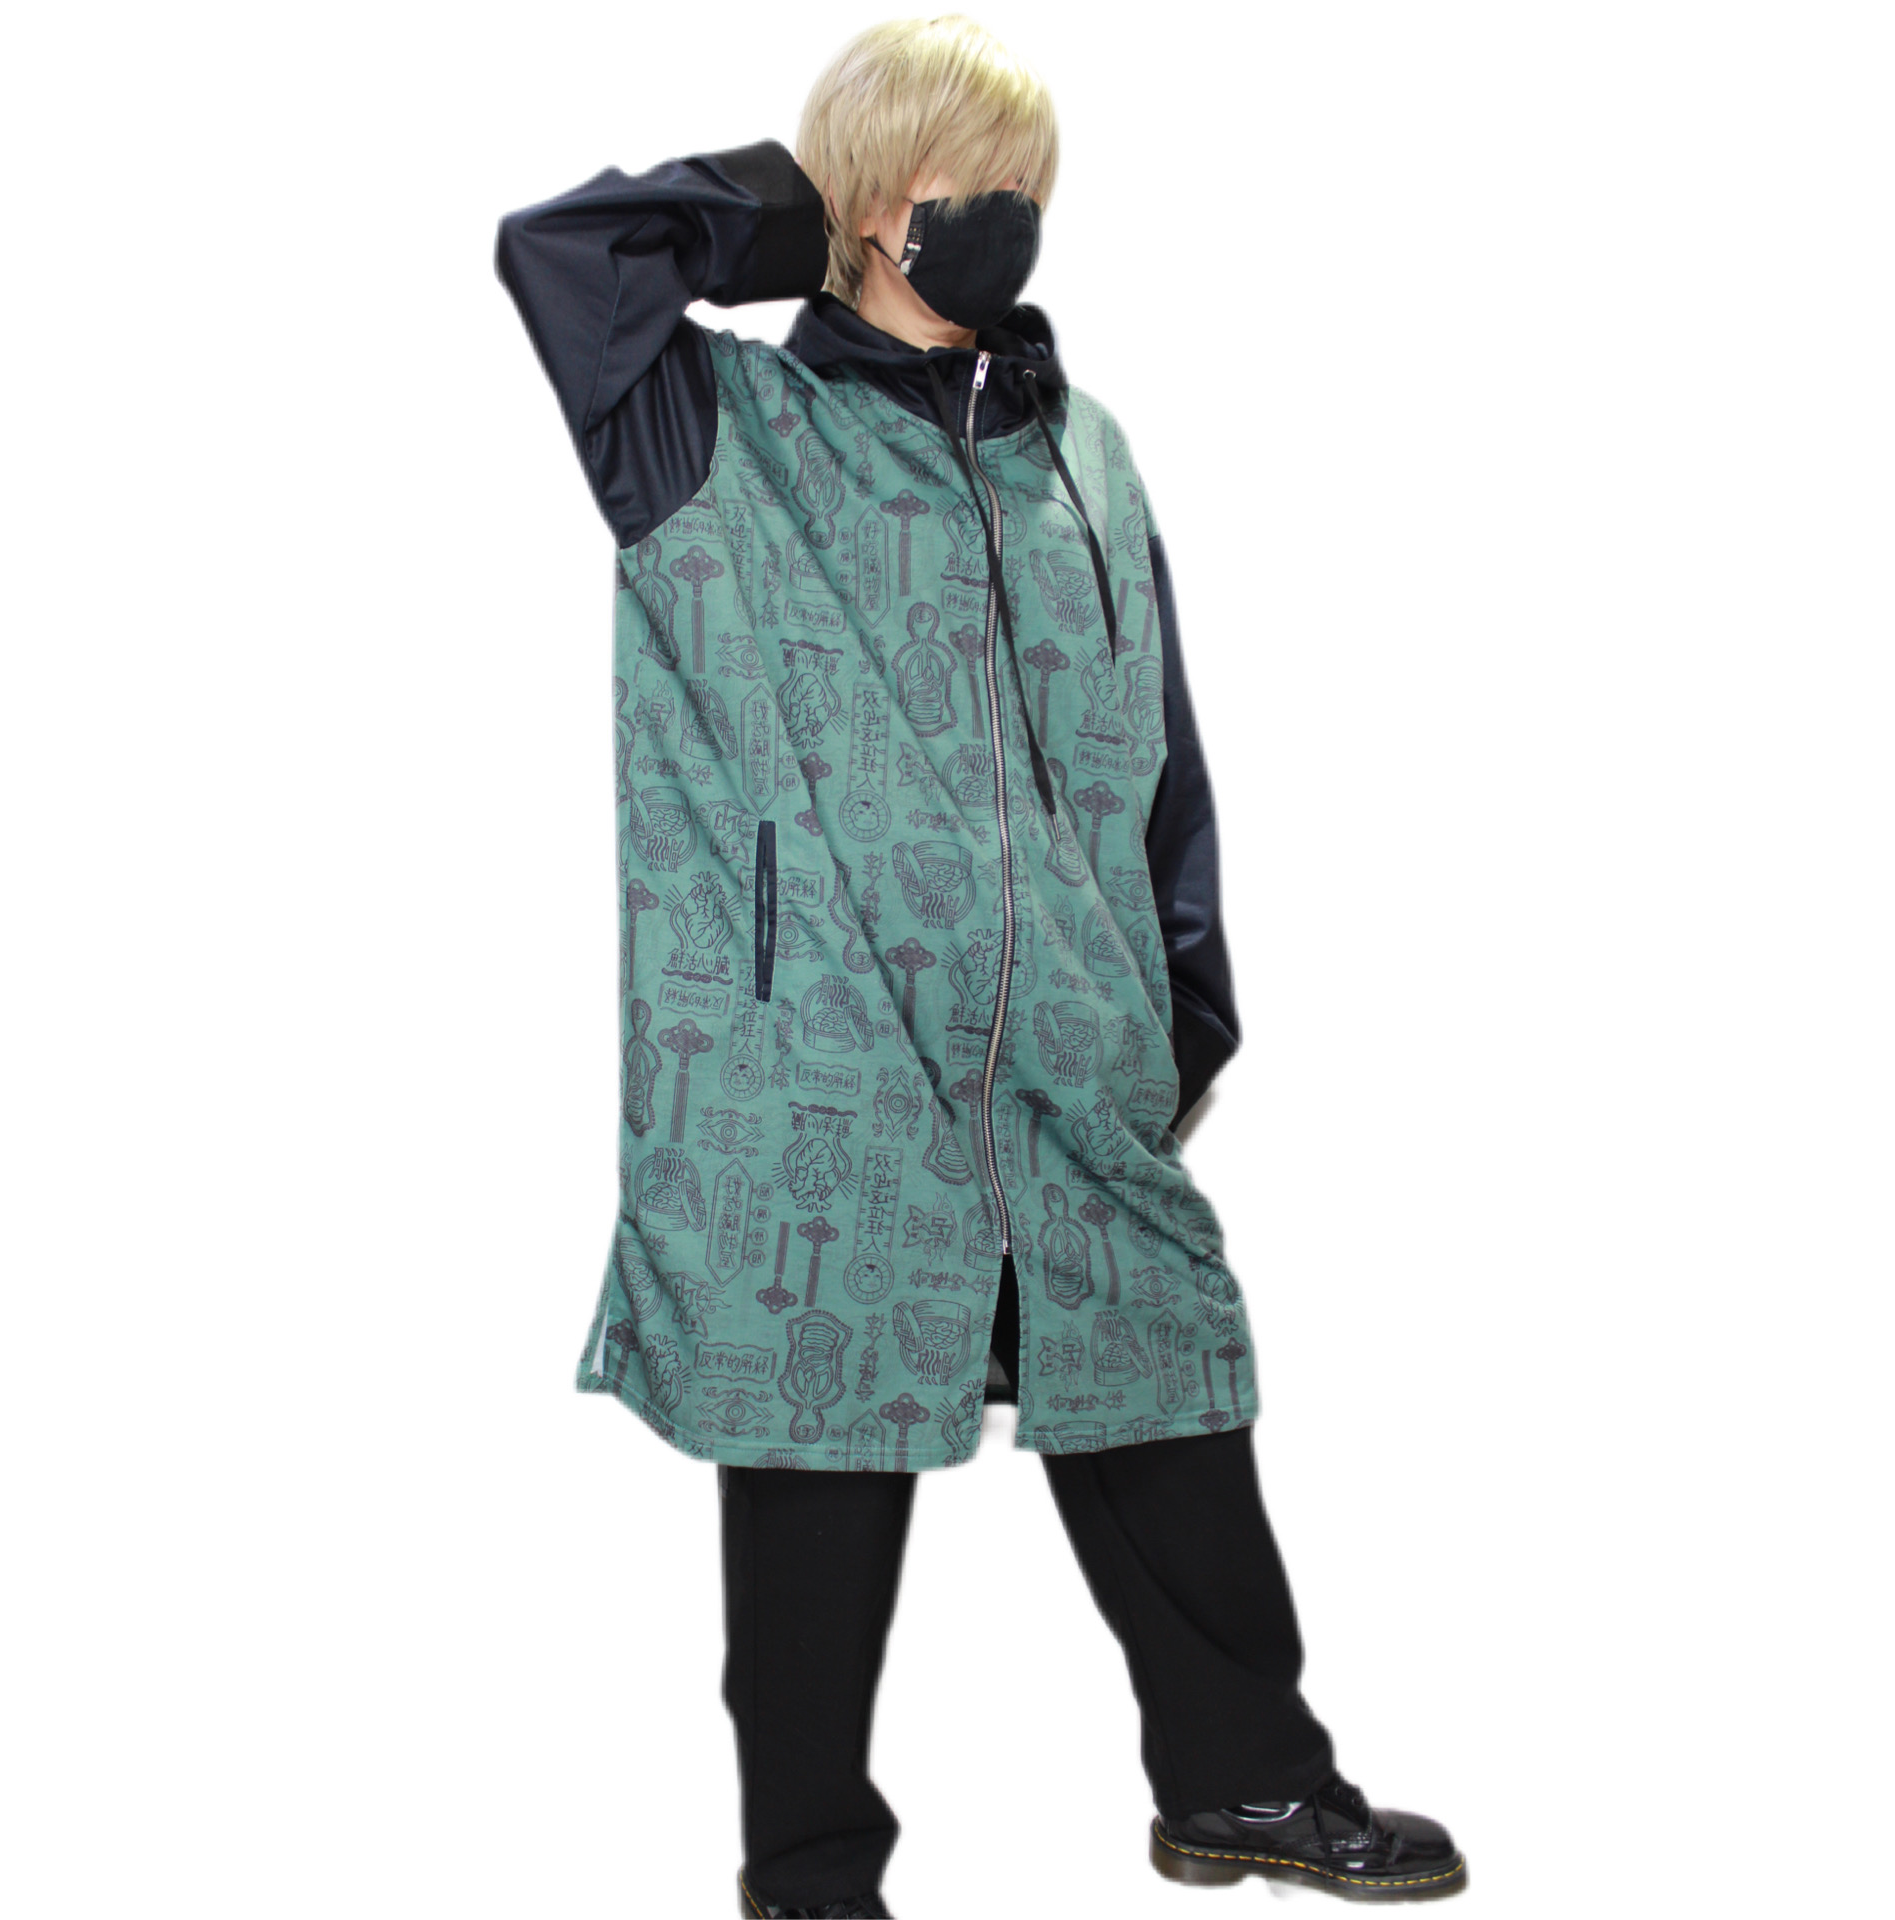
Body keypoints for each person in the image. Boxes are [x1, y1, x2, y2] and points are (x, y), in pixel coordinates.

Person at [494, 14, 1465, 1913]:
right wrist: (795, 214)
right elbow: (562, 253)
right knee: (818, 1457)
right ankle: (811, 1872)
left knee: (1166, 1386)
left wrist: (1184, 1008)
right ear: (874, 197)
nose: (1015, 216)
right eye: (976, 184)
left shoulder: (1084, 448)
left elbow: (1157, 751)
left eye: (1035, 187)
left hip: (1072, 1049)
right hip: (820, 1065)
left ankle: (1247, 1785)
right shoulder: (709, 428)